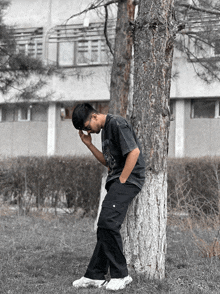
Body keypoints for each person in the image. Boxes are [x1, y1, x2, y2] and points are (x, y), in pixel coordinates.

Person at [71, 103, 145, 291]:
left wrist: (122, 180)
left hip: (128, 180)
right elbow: (108, 162)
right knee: (104, 225)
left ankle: (121, 275)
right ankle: (94, 275)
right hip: (118, 180)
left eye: (87, 127)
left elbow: (134, 152)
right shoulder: (104, 130)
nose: (88, 131)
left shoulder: (117, 123)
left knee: (108, 222)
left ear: (94, 116)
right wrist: (89, 145)